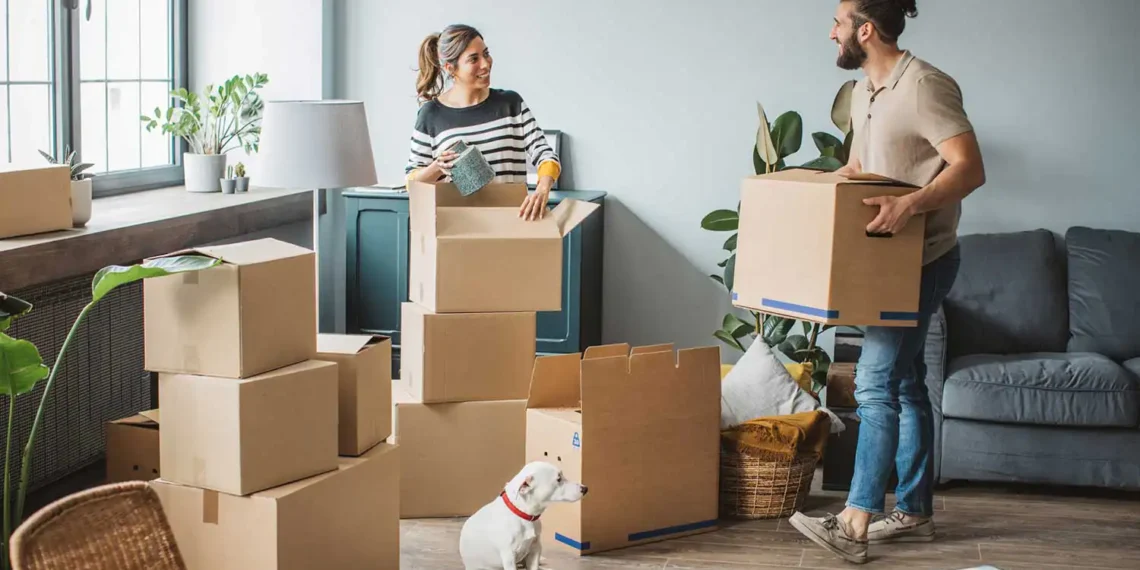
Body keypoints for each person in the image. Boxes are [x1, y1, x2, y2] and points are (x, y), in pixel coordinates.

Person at [787, 0, 986, 564]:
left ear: (865, 30)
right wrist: (802, 198)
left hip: (922, 260)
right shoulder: (862, 94)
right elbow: (857, 169)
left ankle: (854, 519)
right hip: (882, 263)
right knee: (904, 385)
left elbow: (969, 167)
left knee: (873, 383)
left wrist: (911, 206)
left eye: (838, 22)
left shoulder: (924, 85)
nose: (831, 32)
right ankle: (915, 508)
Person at [405, 24, 561, 221]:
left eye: (486, 54)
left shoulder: (511, 104)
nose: (486, 64)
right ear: (450, 68)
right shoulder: (431, 114)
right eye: (473, 59)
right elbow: (411, 182)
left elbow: (545, 154)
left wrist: (542, 188)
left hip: (514, 223)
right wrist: (437, 167)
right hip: (459, 228)